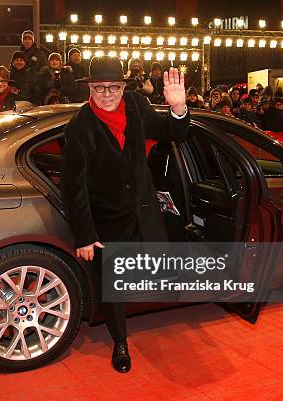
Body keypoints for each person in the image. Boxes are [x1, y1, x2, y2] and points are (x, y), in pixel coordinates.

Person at [60, 56, 189, 373]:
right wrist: (86, 235)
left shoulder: (136, 104)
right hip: (108, 219)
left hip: (143, 210)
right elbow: (73, 189)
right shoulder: (79, 127)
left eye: (113, 86)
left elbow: (171, 131)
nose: (107, 93)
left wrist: (178, 108)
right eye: (100, 87)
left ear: (123, 86)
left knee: (160, 269)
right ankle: (120, 343)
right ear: (89, 88)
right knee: (114, 288)